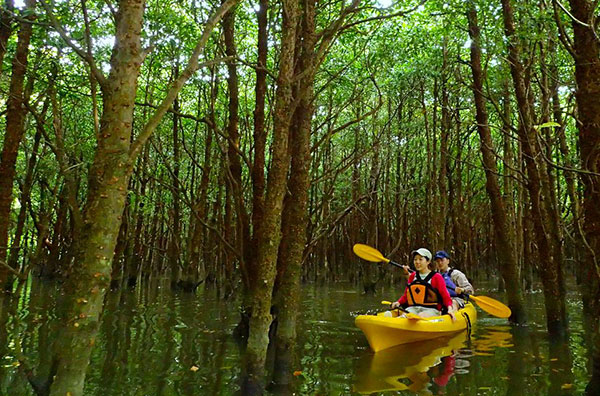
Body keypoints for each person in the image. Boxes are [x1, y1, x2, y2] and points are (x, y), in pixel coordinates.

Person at [391, 248, 455, 320]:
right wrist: (398, 302)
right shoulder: (412, 276)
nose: (417, 262)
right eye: (415, 259)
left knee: (421, 315)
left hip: (431, 310)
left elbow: (445, 296)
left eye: (420, 259)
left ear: (428, 262)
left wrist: (450, 309)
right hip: (413, 308)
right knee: (405, 316)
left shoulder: (437, 277)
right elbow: (406, 295)